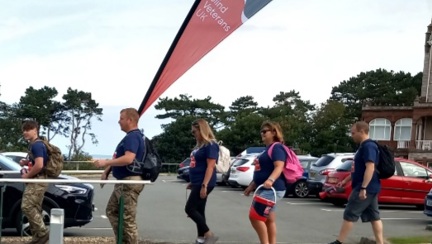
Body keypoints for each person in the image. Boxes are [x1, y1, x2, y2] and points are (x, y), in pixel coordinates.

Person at [94, 108, 145, 244]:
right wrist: (107, 170)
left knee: (128, 219)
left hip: (129, 181)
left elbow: (128, 159)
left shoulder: (133, 137)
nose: (118, 121)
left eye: (121, 118)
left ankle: (128, 241)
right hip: (123, 181)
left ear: (130, 120)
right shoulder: (130, 137)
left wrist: (105, 162)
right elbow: (120, 157)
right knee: (112, 211)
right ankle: (122, 240)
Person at [328, 121, 384, 244]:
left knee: (350, 214)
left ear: (362, 131)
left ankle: (339, 242)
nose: (351, 135)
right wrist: (345, 181)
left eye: (353, 133)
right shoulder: (363, 147)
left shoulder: (369, 146)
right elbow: (357, 170)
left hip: (365, 188)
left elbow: (370, 167)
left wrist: (363, 188)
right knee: (374, 217)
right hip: (371, 187)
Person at [244, 121, 287, 244]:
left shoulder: (277, 147)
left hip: (272, 189)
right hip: (264, 188)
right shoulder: (267, 149)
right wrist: (252, 185)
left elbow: (279, 166)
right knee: (269, 219)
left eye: (265, 131)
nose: (262, 134)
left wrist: (270, 180)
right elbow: (262, 170)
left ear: (274, 132)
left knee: (255, 216)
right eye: (261, 132)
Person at [185, 119, 219, 244]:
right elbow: (196, 165)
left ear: (202, 130)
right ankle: (201, 238)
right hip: (197, 182)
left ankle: (209, 234)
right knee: (199, 210)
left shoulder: (211, 145)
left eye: (195, 132)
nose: (194, 135)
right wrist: (192, 182)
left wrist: (204, 185)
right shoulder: (200, 146)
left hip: (204, 183)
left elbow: (210, 166)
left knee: (190, 209)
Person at [20, 120, 50, 244]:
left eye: (28, 130)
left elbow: (39, 165)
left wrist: (27, 176)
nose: (25, 132)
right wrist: (26, 163)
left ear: (35, 130)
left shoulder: (37, 145)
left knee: (26, 206)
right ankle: (38, 238)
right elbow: (37, 162)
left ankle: (43, 233)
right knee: (35, 208)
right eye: (24, 130)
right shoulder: (34, 145)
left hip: (38, 180)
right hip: (38, 179)